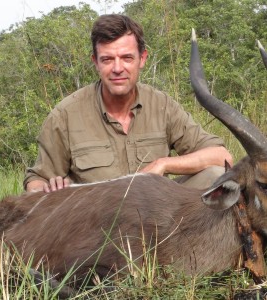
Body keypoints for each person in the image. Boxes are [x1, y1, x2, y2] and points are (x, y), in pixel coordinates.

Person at [24, 14, 232, 193]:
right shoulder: (66, 114)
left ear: (142, 59)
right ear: (95, 62)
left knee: (217, 175)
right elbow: (36, 181)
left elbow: (222, 157)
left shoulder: (162, 105)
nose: (117, 68)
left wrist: (163, 164)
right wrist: (48, 189)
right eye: (107, 59)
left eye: (126, 58)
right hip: (96, 222)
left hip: (158, 213)